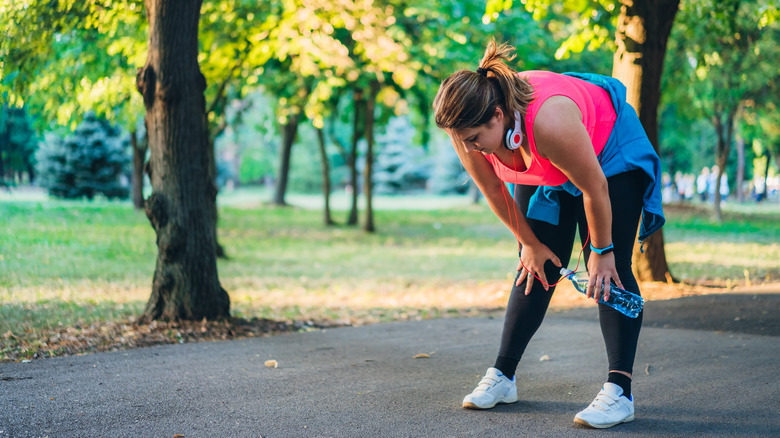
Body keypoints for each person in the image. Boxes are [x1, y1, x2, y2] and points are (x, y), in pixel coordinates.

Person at [432, 40, 664, 429]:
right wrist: (530, 245)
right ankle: (503, 376)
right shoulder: (467, 128)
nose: (469, 147)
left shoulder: (549, 122)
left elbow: (595, 188)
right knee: (534, 266)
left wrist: (602, 251)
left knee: (609, 271)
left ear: (499, 115)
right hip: (547, 163)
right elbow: (493, 191)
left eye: (474, 138)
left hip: (609, 156)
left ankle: (620, 392)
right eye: (463, 139)